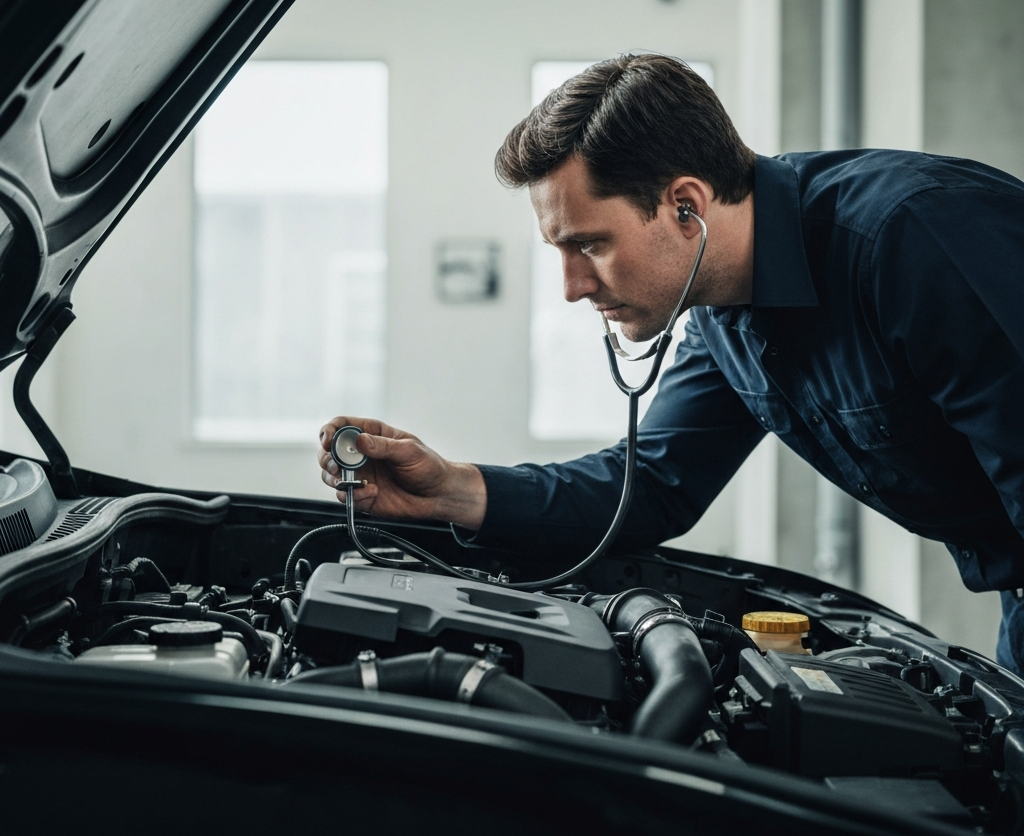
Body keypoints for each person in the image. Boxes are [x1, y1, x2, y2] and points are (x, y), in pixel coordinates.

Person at [317, 52, 1024, 674]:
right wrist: (450, 489)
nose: (572, 287)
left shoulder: (912, 240)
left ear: (686, 206)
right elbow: (654, 483)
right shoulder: (724, 312)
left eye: (590, 245)